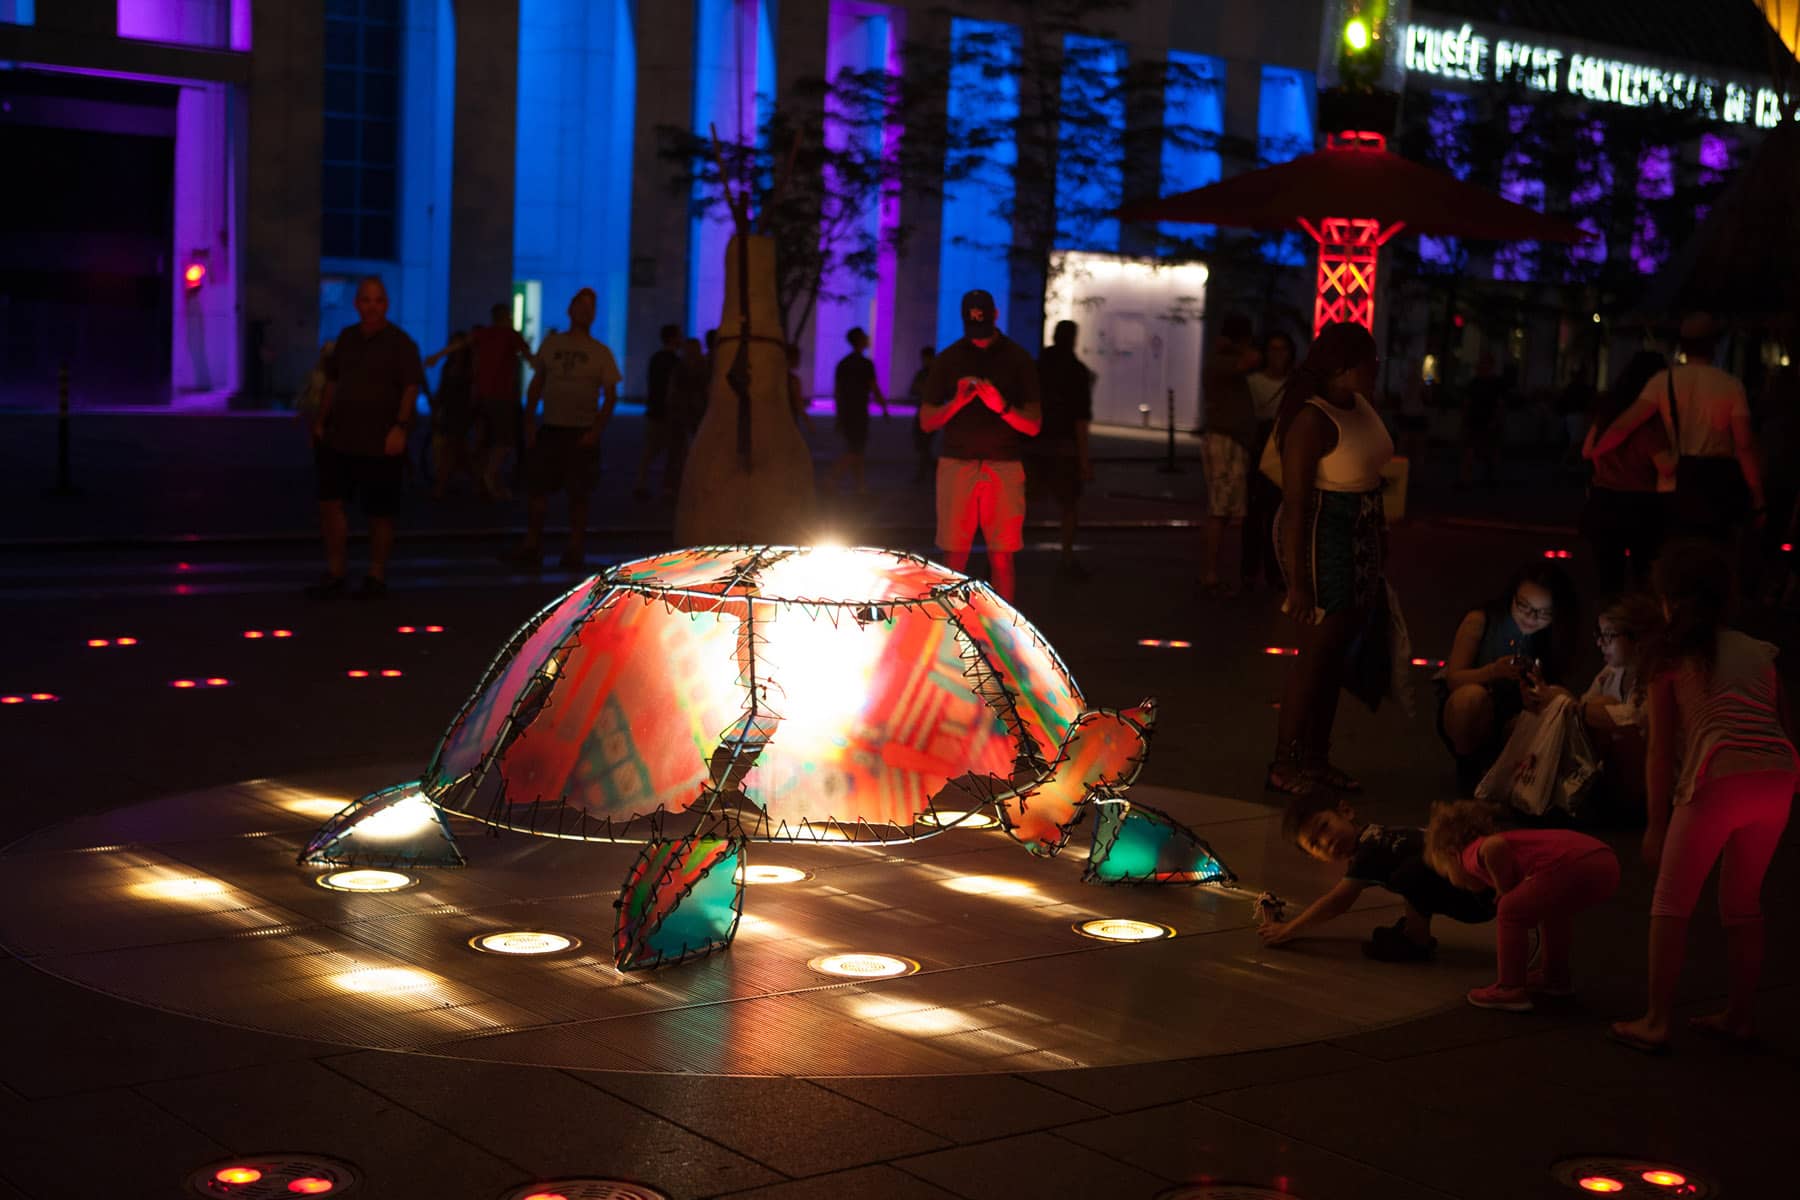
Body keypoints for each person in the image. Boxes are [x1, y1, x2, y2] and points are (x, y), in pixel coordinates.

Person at [1611, 541, 1798, 1054]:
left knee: (1672, 903)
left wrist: (1656, 824)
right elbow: (1779, 722)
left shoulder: (1669, 657)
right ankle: (1740, 1017)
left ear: (1668, 600)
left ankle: (1656, 1019)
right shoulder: (1760, 651)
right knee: (1743, 903)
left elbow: (1659, 753)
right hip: (1778, 776)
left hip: (1718, 777)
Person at [1266, 322, 1391, 797]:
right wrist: (1298, 582)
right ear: (1342, 365)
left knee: (1337, 651)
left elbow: (1373, 474)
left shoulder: (1358, 405)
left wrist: (1381, 537)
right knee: (1317, 649)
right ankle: (1285, 762)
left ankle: (1316, 757)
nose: (1376, 368)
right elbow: (1297, 504)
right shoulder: (1311, 420)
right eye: (1369, 361)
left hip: (1360, 531)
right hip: (1324, 532)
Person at [1425, 801, 1620, 1011]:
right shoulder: (1510, 847)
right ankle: (1554, 976)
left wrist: (1503, 888)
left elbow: (1494, 848)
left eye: (1446, 872)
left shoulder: (1470, 853)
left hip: (1574, 864)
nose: (1454, 882)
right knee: (1553, 913)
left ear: (1453, 854)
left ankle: (1509, 988)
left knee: (1509, 909)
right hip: (1602, 861)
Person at [1589, 313, 1765, 544]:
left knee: (1676, 552)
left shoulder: (1664, 381)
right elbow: (1744, 445)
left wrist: (1595, 453)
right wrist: (1758, 494)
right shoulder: (1731, 385)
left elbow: (1625, 425)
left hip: (1675, 482)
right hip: (1718, 481)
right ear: (1714, 345)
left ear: (1683, 345)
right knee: (1715, 550)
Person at [1261, 794, 1495, 962]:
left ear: (1346, 811)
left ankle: (1417, 941)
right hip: (1485, 881)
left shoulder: (1368, 852)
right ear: (1316, 857)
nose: (1326, 840)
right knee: (1409, 868)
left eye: (1324, 826)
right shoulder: (1376, 834)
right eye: (1315, 843)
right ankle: (1413, 931)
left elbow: (1337, 902)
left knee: (1409, 874)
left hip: (1476, 897)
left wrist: (1288, 929)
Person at [918, 288, 1042, 602]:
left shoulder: (1017, 359)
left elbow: (1033, 424)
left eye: (983, 323)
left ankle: (1006, 635)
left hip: (1004, 464)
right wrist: (957, 403)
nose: (978, 333)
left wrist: (1001, 406)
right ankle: (951, 629)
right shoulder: (949, 359)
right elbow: (927, 421)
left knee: (1002, 555)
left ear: (995, 315)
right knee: (954, 555)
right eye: (973, 325)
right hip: (957, 463)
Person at [307, 275, 424, 601]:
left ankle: (376, 573)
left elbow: (410, 387)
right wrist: (321, 421)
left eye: (378, 300)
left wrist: (400, 427)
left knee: (380, 510)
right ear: (357, 303)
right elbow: (332, 382)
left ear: (385, 304)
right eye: (365, 300)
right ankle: (336, 571)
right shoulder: (346, 338)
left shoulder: (401, 343)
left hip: (380, 439)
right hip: (341, 436)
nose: (371, 306)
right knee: (330, 502)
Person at [1436, 561, 1580, 795]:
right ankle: (1469, 772)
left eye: (1543, 613)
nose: (1531, 618)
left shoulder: (1553, 638)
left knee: (1560, 699)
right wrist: (1493, 671)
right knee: (1470, 698)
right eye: (1524, 606)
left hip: (1517, 721)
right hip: (1473, 716)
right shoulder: (1481, 620)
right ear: (1511, 597)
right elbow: (1454, 679)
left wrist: (1537, 693)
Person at [503, 288, 622, 570]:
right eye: (580, 305)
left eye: (590, 307)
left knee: (579, 495)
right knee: (538, 490)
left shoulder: (601, 352)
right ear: (570, 310)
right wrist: (530, 421)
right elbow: (537, 383)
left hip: (581, 432)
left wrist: (595, 432)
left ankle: (575, 549)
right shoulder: (552, 344)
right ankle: (533, 546)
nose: (585, 311)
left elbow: (611, 395)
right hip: (552, 429)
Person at [1580, 351, 1673, 597]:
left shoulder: (1607, 414)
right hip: (1640, 504)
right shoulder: (1650, 423)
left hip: (1603, 501)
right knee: (1645, 580)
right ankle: (1640, 633)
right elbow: (1665, 465)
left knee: (1609, 583)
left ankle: (1609, 633)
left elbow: (1587, 450)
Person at [1199, 314, 1260, 596]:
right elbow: (1251, 360)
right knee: (1220, 510)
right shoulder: (1222, 360)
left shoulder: (1219, 359)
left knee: (1224, 510)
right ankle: (1211, 573)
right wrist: (1236, 347)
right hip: (1225, 441)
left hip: (1230, 440)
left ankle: (1215, 572)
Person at [1030, 320, 1095, 580]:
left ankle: (1002, 554)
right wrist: (1085, 459)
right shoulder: (1077, 371)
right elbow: (1081, 418)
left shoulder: (1038, 366)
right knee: (1068, 504)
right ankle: (1066, 556)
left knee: (1021, 503)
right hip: (1064, 446)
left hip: (1034, 443)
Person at [1242, 330, 1294, 593]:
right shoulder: (1254, 383)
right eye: (1273, 349)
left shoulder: (1292, 385)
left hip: (1281, 453)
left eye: (1282, 349)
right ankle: (1249, 572)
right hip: (1259, 449)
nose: (1277, 355)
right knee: (1254, 514)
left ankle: (1274, 573)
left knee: (1277, 516)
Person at [469, 302, 533, 501]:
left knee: (485, 442)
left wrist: (437, 356)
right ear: (506, 316)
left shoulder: (484, 334)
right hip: (503, 397)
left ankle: (483, 483)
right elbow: (530, 356)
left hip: (481, 395)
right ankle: (490, 475)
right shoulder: (510, 335)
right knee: (505, 441)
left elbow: (463, 344)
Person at [827, 327, 886, 492]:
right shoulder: (866, 364)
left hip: (847, 411)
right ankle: (832, 479)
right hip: (859, 412)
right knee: (855, 449)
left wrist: (838, 415)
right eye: (865, 337)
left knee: (857, 449)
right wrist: (884, 408)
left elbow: (837, 391)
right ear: (860, 341)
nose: (868, 339)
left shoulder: (843, 364)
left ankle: (860, 485)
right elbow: (874, 388)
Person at [422, 330, 476, 500]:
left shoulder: (470, 365)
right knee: (458, 450)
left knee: (452, 447)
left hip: (462, 411)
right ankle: (478, 482)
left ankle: (441, 486)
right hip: (450, 411)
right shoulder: (449, 365)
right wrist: (436, 408)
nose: (454, 349)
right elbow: (443, 389)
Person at [633, 323, 683, 501]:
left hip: (654, 410)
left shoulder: (656, 358)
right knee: (672, 451)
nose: (681, 339)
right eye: (678, 335)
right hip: (668, 412)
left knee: (649, 450)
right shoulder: (676, 362)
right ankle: (667, 489)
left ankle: (640, 484)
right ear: (672, 338)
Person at [665, 337, 709, 492]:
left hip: (687, 413)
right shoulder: (700, 366)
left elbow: (672, 391)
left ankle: (676, 484)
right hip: (692, 412)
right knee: (683, 450)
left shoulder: (682, 367)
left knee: (678, 450)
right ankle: (687, 483)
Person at [1458, 352, 1504, 487]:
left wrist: (1496, 421)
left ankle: (1489, 478)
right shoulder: (1475, 382)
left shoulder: (1495, 383)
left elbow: (1500, 404)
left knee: (1490, 452)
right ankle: (1466, 479)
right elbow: (1467, 403)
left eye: (1483, 363)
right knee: (1470, 451)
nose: (1480, 366)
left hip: (1489, 422)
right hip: (1475, 421)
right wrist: (1464, 420)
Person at [909, 346, 937, 484]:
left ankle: (921, 475)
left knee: (924, 446)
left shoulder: (936, 374)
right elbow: (913, 390)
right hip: (923, 412)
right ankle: (933, 470)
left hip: (931, 414)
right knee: (922, 446)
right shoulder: (923, 373)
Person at [785, 343, 812, 430]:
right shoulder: (792, 380)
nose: (799, 360)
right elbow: (798, 402)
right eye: (797, 358)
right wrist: (807, 420)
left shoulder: (775, 377)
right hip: (789, 418)